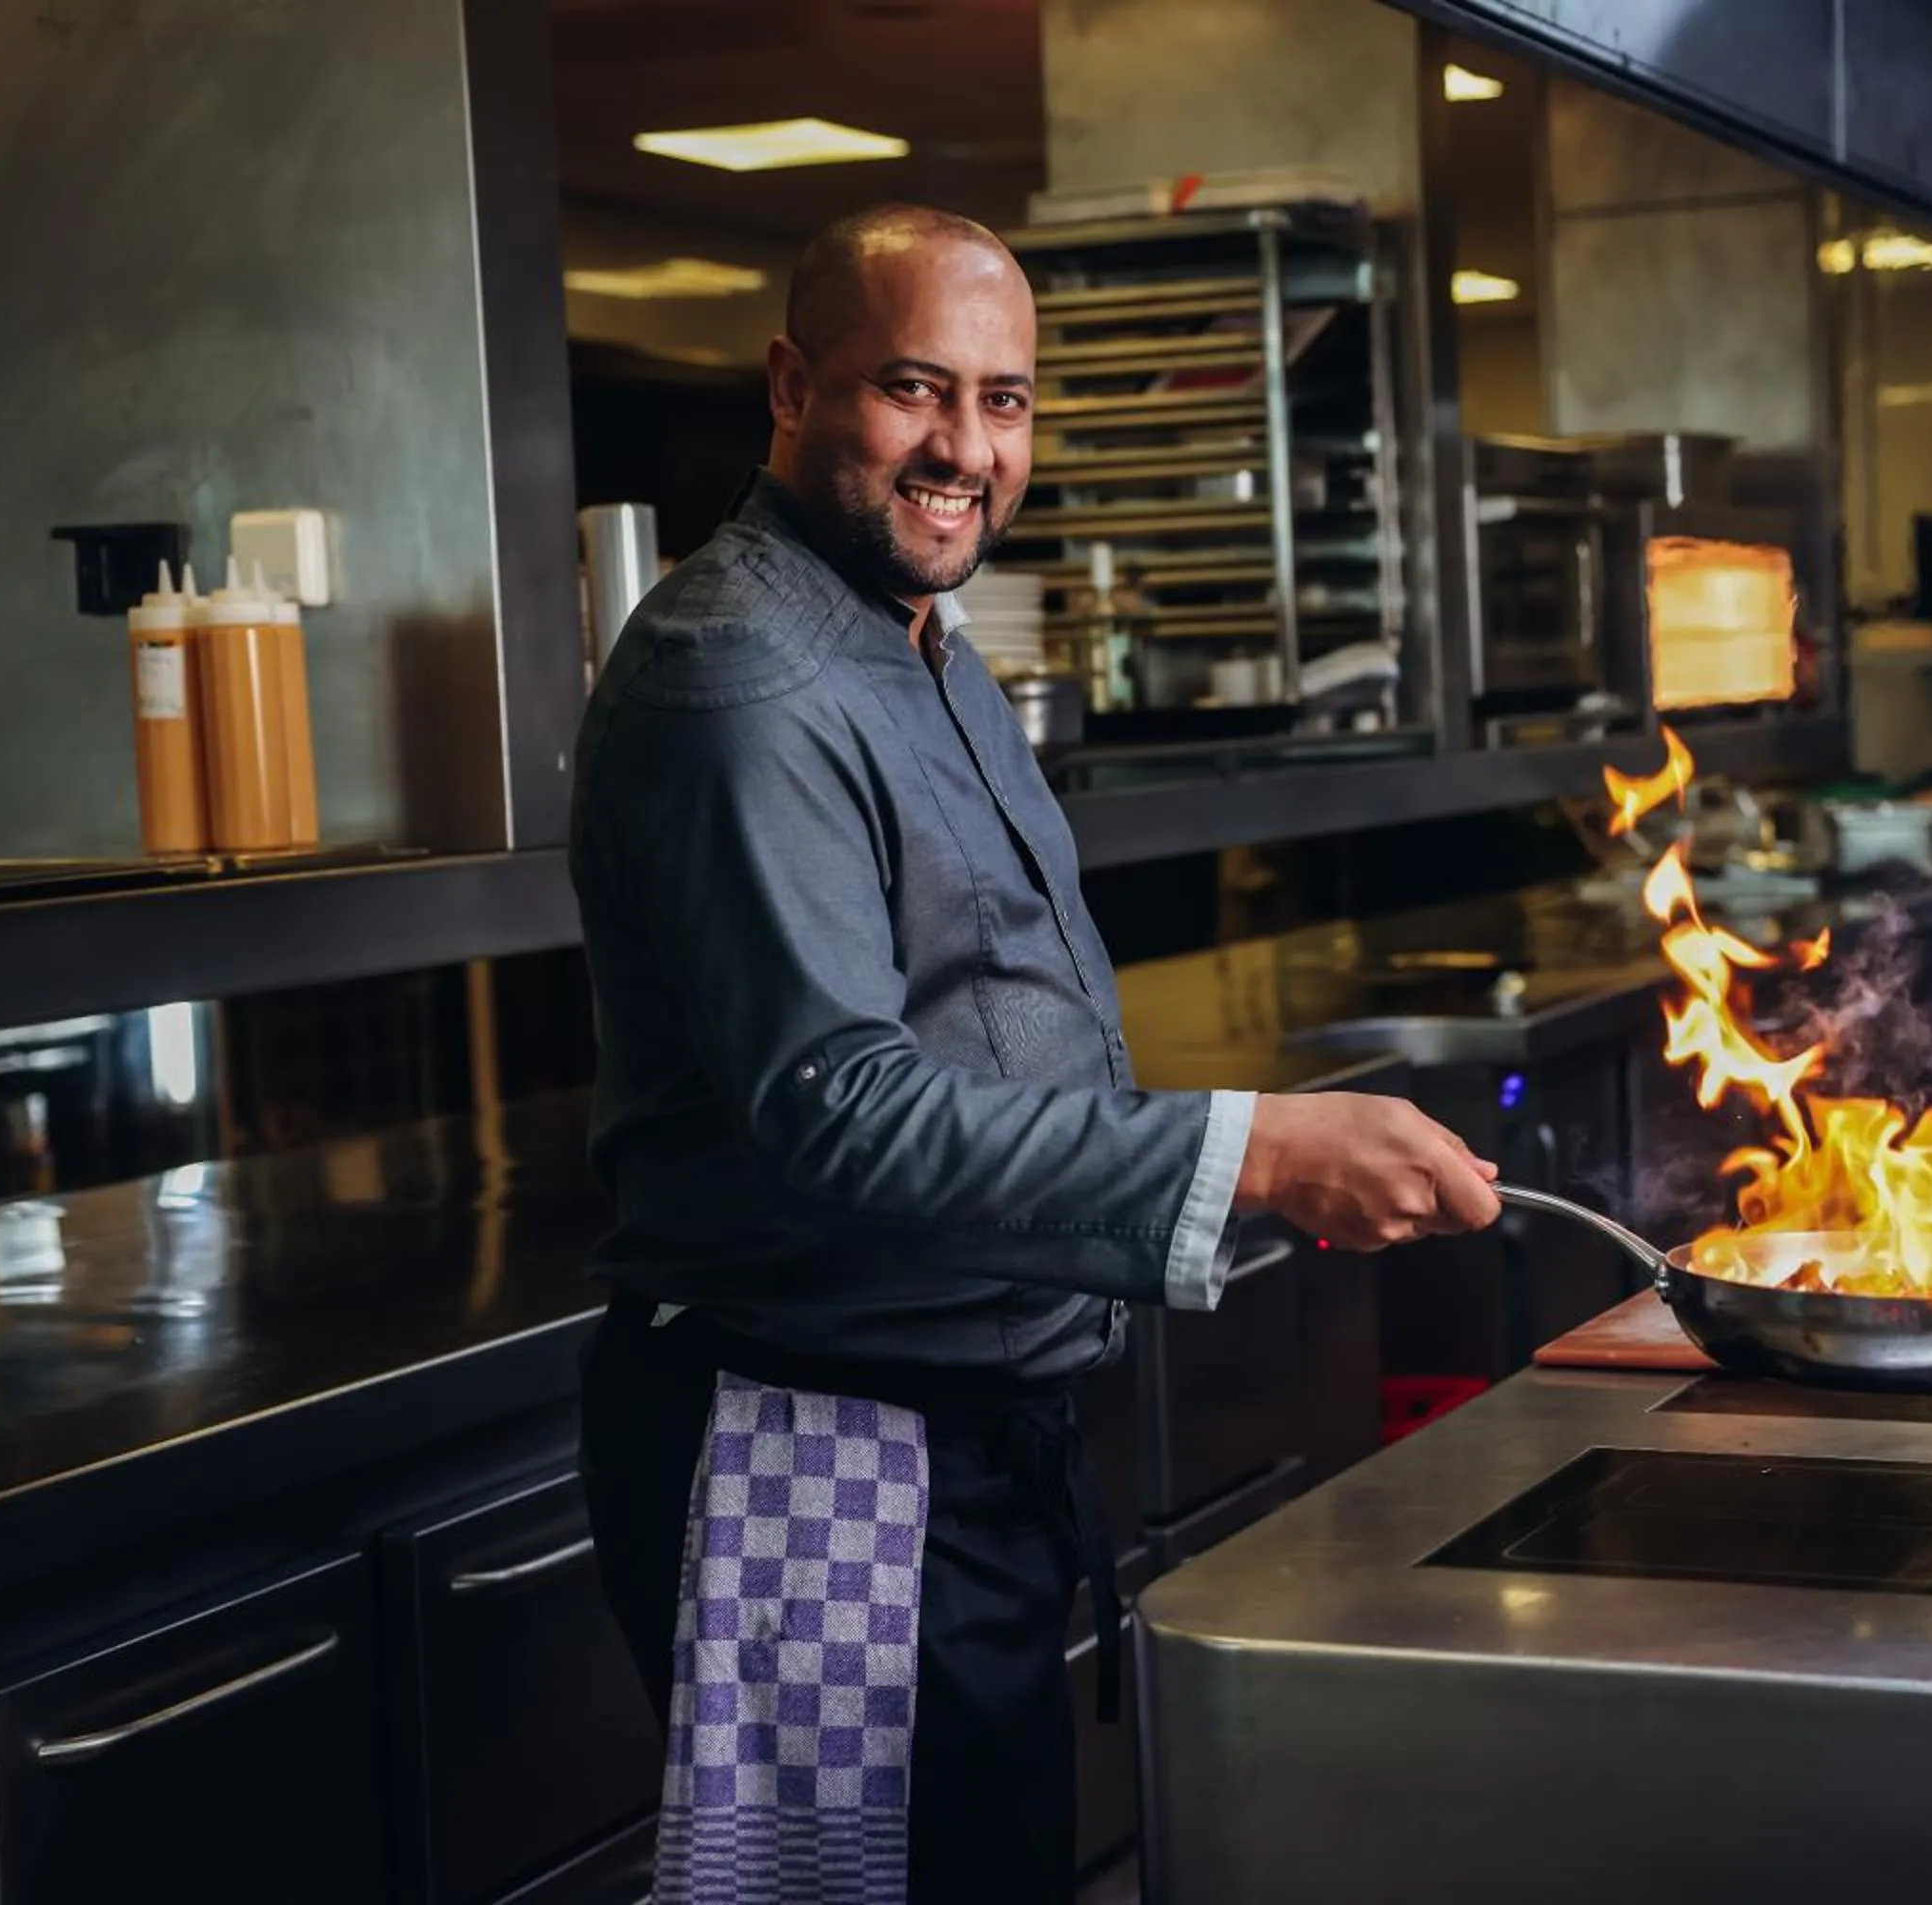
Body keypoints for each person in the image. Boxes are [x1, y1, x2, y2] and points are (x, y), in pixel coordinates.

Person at [569, 203, 1503, 1905]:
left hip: (963, 1434)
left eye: (1004, 403)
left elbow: (985, 1042)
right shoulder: (743, 679)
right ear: (792, 385)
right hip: (820, 1451)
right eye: (914, 391)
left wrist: (1244, 1171)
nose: (966, 450)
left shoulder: (927, 650)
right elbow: (839, 1115)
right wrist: (1260, 1153)